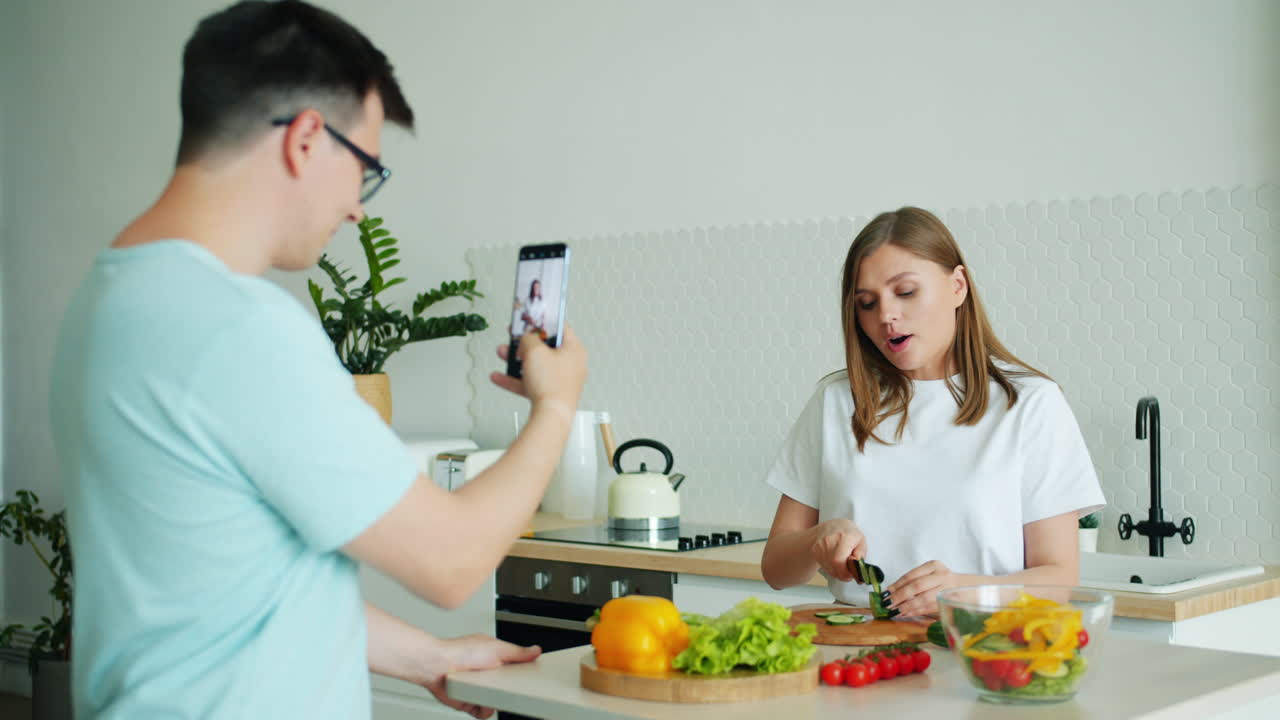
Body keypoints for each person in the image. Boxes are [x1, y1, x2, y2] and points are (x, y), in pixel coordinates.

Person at [47, 2, 586, 718]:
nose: (359, 208)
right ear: (305, 139)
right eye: (364, 168)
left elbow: (213, 586)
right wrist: (555, 406)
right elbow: (452, 562)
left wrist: (428, 657)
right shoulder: (237, 330)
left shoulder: (107, 301)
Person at [760, 207, 1104, 618]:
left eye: (905, 292)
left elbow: (1059, 580)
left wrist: (961, 590)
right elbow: (776, 568)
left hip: (985, 647)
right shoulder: (836, 402)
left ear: (958, 286)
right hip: (856, 652)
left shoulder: (1030, 404)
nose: (886, 316)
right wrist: (819, 539)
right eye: (867, 303)